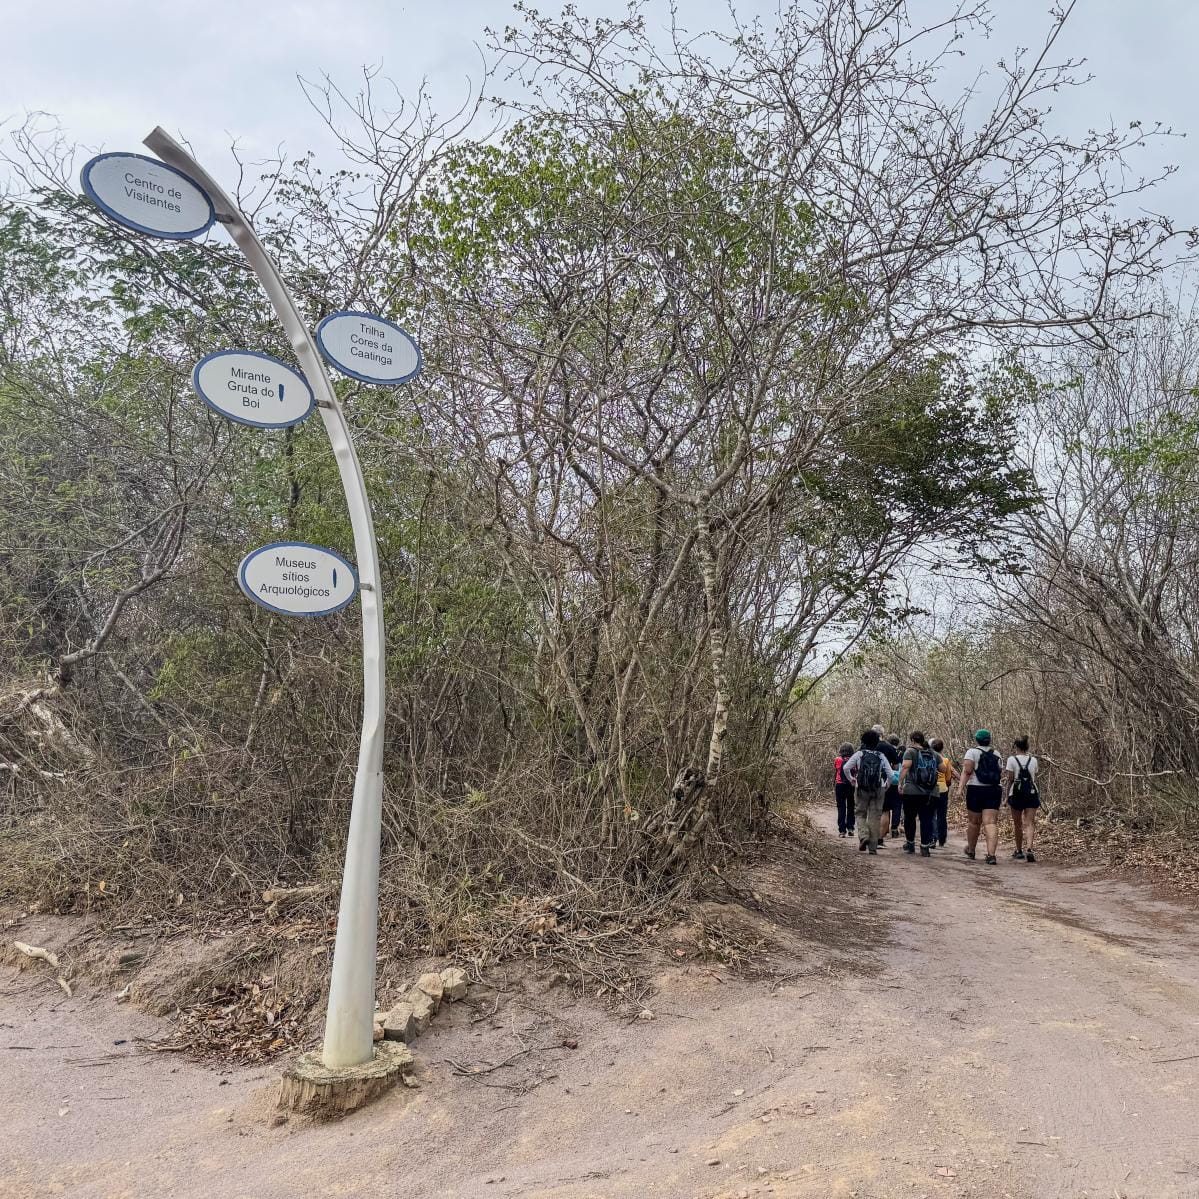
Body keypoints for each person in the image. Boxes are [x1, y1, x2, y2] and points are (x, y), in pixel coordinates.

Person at [957, 729, 1003, 864]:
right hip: (994, 790)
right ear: (990, 739)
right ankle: (991, 855)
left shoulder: (972, 752)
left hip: (976, 789)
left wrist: (960, 788)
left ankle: (971, 850)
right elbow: (999, 771)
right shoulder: (997, 754)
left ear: (976, 740)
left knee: (974, 822)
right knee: (991, 822)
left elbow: (967, 771)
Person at [842, 728, 888, 854]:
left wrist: (852, 779)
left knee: (860, 813)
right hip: (878, 789)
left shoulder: (859, 754)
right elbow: (889, 773)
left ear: (863, 742)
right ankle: (873, 848)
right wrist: (886, 785)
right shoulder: (881, 756)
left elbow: (846, 768)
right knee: (875, 817)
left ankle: (864, 836)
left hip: (861, 788)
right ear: (876, 742)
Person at [898, 731, 940, 856]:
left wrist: (900, 783)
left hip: (912, 791)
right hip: (931, 792)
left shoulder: (910, 751)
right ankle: (925, 847)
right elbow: (943, 768)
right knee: (926, 819)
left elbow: (906, 766)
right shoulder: (934, 753)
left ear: (912, 740)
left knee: (910, 818)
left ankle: (910, 844)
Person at [1004, 735, 1041, 862]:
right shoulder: (1033, 760)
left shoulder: (1011, 760)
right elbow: (1033, 774)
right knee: (1030, 822)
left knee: (1017, 823)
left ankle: (1019, 850)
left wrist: (1005, 797)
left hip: (1016, 793)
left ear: (1016, 746)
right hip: (1031, 792)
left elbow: (1010, 779)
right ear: (1027, 747)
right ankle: (1029, 849)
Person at [930, 737, 956, 847]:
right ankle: (942, 838)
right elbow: (948, 777)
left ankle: (932, 837)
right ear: (942, 748)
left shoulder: (929, 758)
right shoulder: (945, 760)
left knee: (931, 814)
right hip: (943, 789)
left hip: (931, 789)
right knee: (942, 814)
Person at [879, 732, 903, 843]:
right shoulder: (901, 752)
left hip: (888, 781)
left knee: (886, 808)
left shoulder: (885, 750)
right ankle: (894, 828)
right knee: (897, 806)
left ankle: (884, 830)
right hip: (898, 781)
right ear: (898, 743)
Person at [833, 742, 855, 837]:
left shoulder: (837, 759)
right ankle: (850, 828)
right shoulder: (854, 760)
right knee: (851, 806)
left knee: (841, 807)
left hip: (840, 785)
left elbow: (836, 769)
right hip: (851, 784)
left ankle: (842, 830)